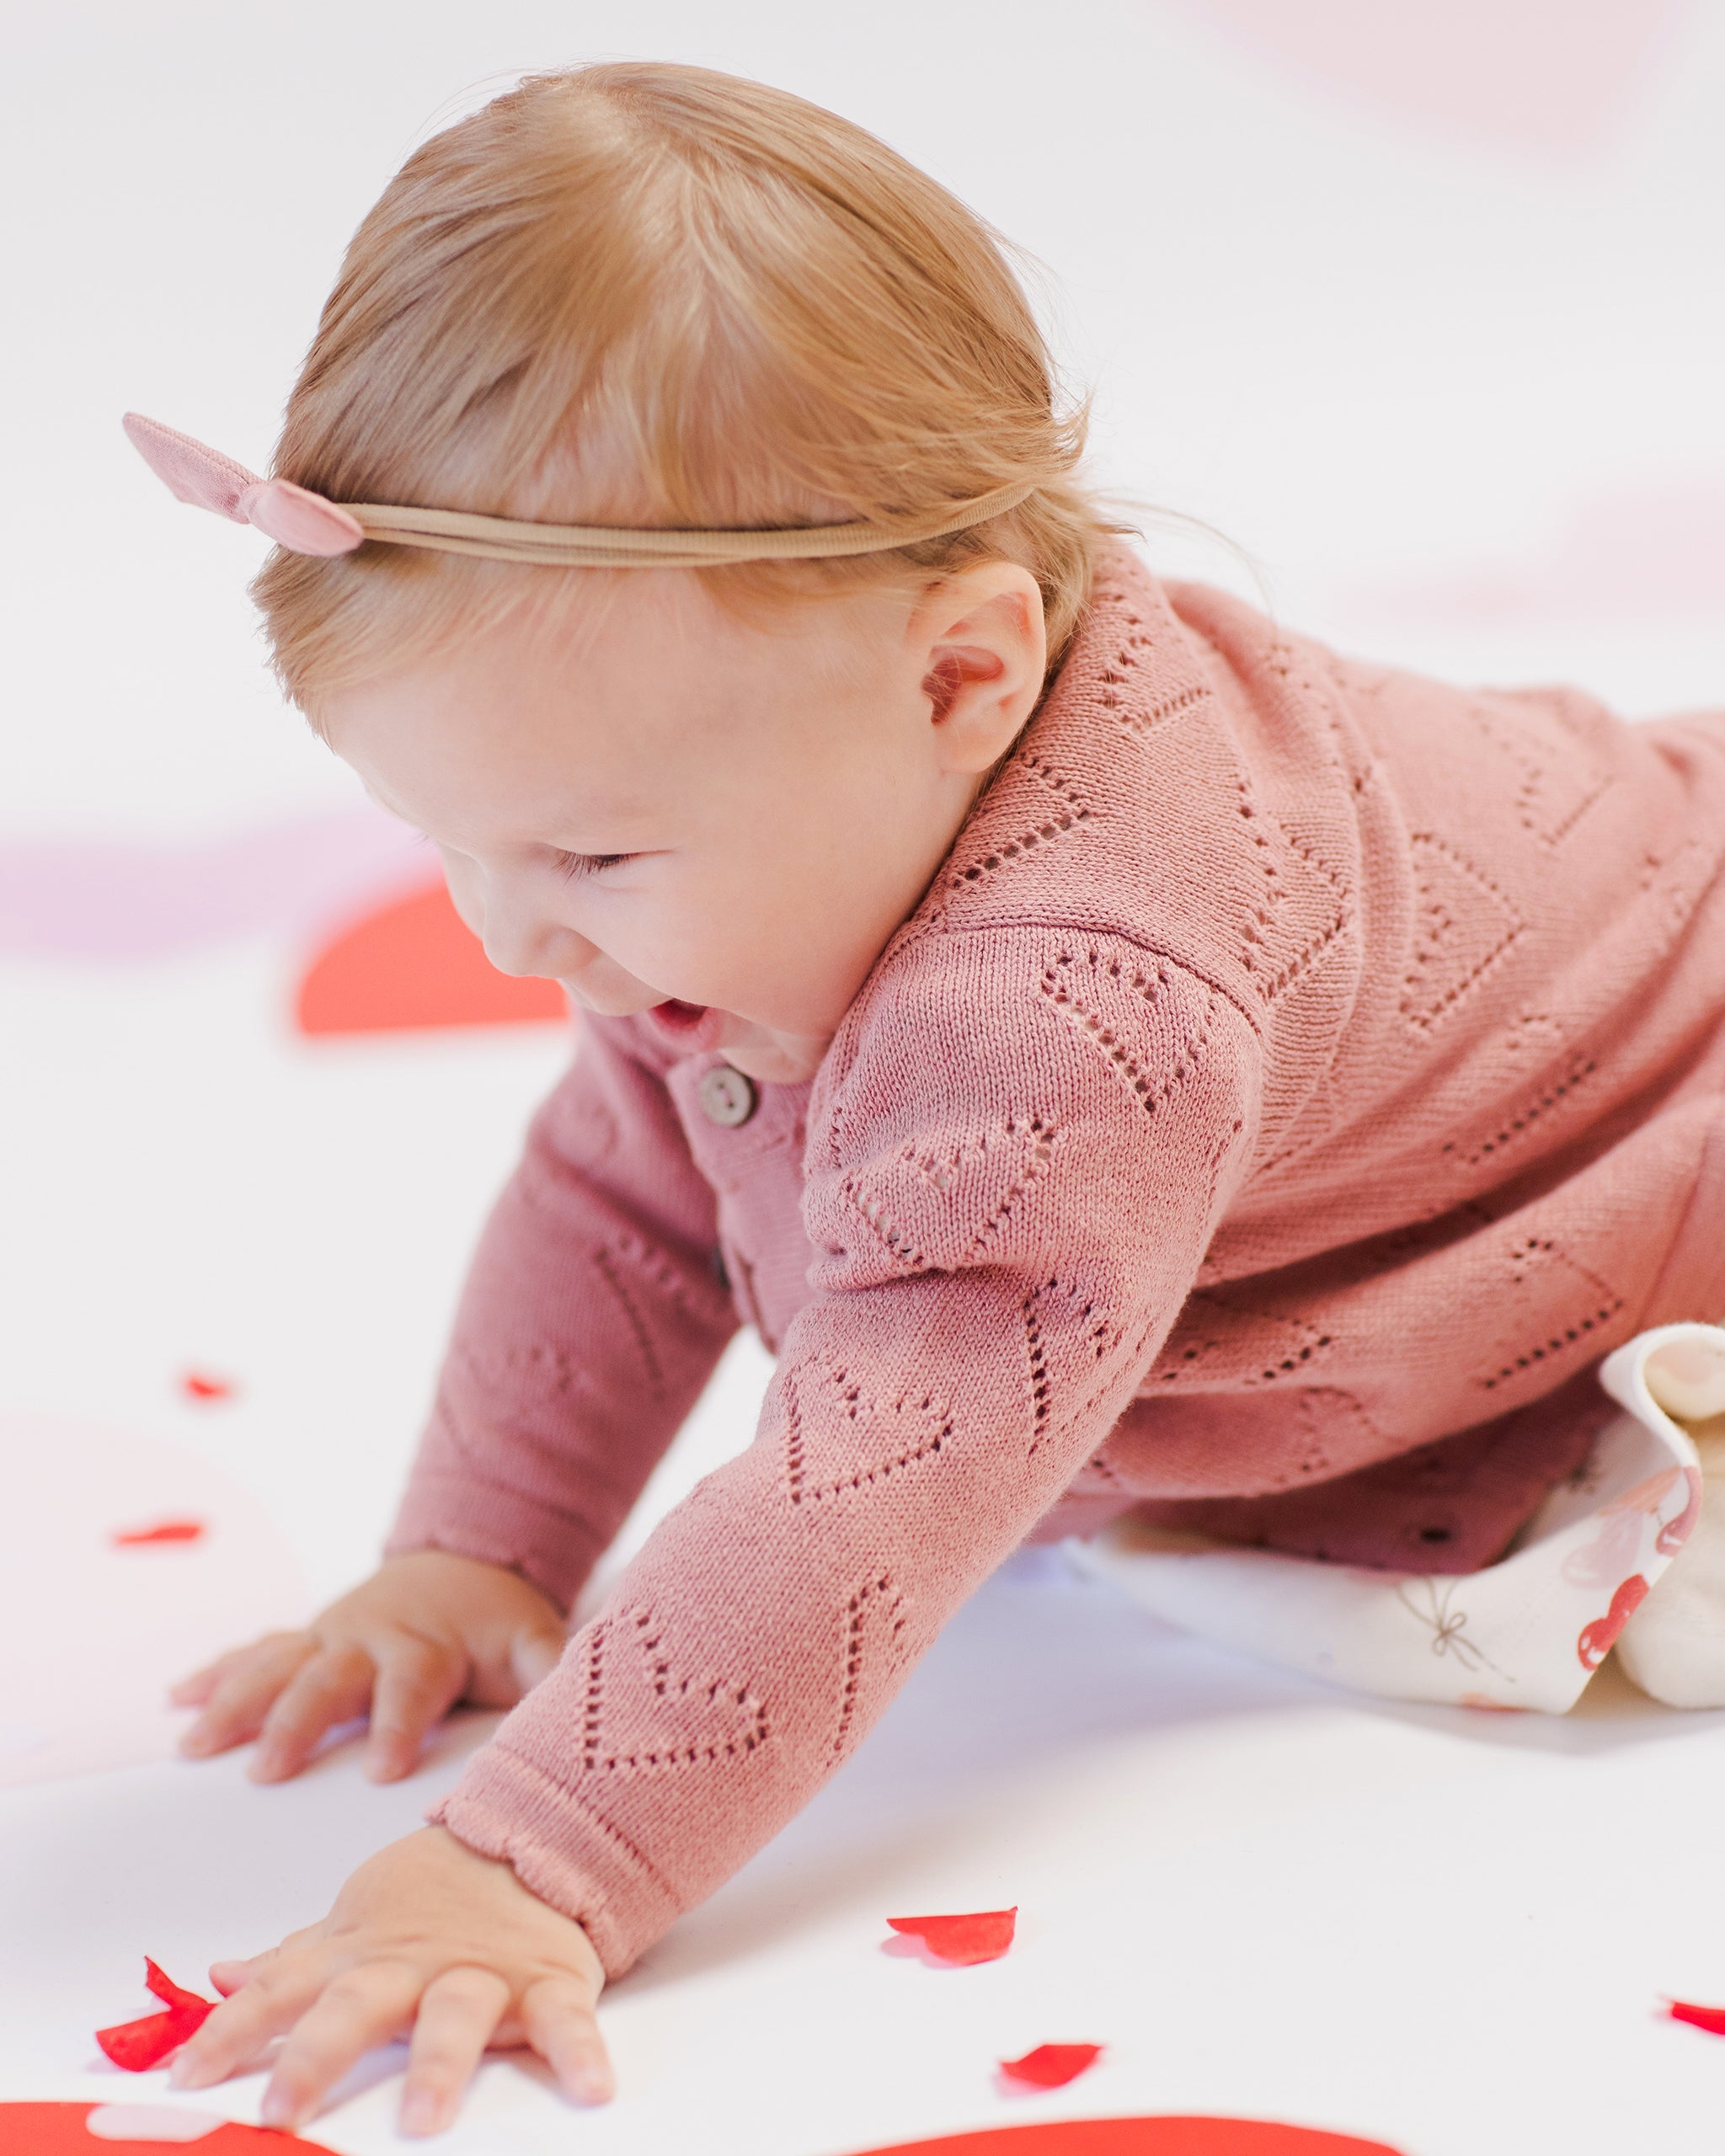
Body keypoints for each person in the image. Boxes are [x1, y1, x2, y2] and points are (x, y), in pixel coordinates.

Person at [123, 60, 1725, 2139]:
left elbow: (875, 1471)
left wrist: (530, 1857)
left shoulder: (1074, 1000)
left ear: (964, 672)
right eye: (453, 845)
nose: (514, 943)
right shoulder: (780, 823)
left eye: (590, 861)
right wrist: (483, 1545)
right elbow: (627, 1190)